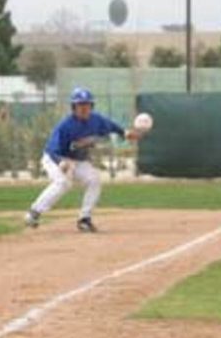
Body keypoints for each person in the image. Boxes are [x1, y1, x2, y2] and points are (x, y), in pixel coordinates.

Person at [25, 87, 139, 232]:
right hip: (55, 158)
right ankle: (34, 212)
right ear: (74, 107)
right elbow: (53, 149)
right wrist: (61, 162)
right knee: (63, 183)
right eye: (80, 105)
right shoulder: (65, 126)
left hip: (77, 160)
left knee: (94, 179)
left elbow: (111, 126)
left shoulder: (96, 120)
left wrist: (124, 132)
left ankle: (84, 219)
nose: (84, 108)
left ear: (91, 106)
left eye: (87, 104)